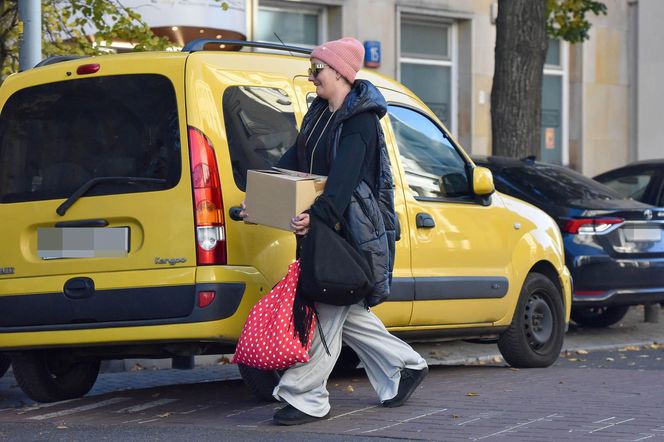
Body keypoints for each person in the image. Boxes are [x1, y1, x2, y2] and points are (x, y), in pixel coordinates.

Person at [241, 37, 428, 426]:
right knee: (344, 307)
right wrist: (258, 200)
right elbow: (292, 164)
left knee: (327, 306)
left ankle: (306, 395)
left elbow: (343, 180)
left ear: (341, 72)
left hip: (350, 231)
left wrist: (317, 215)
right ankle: (404, 365)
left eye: (317, 69)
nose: (311, 78)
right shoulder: (318, 114)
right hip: (324, 227)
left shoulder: (361, 120)